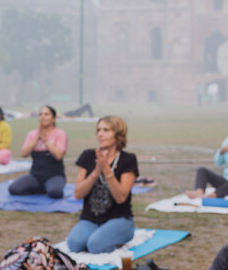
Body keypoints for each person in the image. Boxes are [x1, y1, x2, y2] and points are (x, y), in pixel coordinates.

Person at [67, 116, 138, 253]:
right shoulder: (88, 156)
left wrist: (107, 170)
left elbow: (121, 197)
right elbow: (78, 194)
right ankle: (102, 234)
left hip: (120, 219)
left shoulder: (128, 160)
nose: (100, 134)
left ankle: (118, 236)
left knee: (95, 245)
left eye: (106, 130)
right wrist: (95, 172)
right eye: (98, 130)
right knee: (74, 244)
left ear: (118, 135)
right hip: (91, 219)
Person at [9, 105, 67, 198]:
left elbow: (58, 156)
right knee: (14, 189)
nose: (42, 117)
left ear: (54, 118)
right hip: (36, 176)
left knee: (55, 193)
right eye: (40, 114)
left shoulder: (60, 134)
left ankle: (49, 187)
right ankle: (41, 187)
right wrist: (36, 139)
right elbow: (24, 154)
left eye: (46, 114)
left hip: (54, 175)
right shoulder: (32, 134)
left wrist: (45, 140)